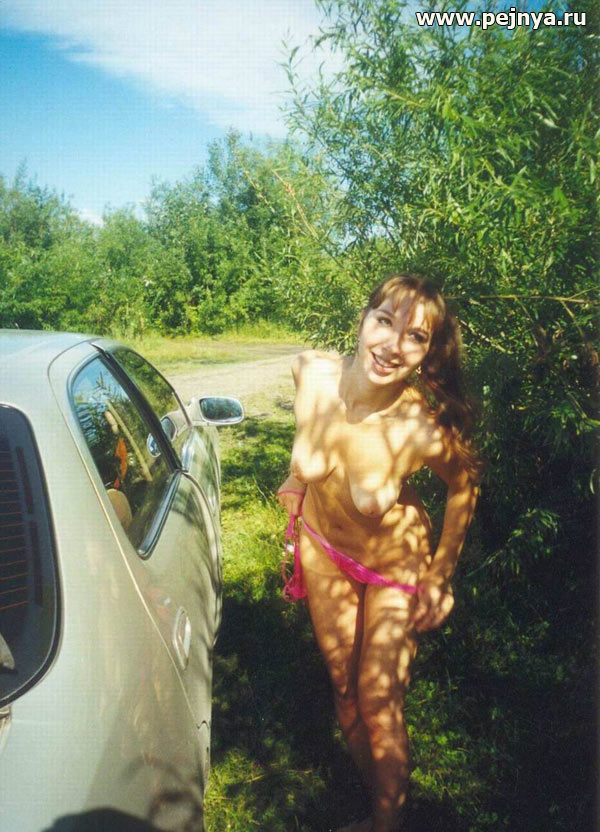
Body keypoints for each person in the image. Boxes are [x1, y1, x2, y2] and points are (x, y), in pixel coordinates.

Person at [277, 274, 480, 832]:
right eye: (385, 321)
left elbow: (464, 486)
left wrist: (441, 576)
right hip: (323, 547)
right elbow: (313, 440)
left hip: (395, 564)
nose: (392, 346)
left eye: (415, 336)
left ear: (428, 353)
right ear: (363, 319)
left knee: (377, 698)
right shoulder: (312, 370)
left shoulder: (418, 427)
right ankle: (381, 810)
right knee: (344, 691)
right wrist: (296, 478)